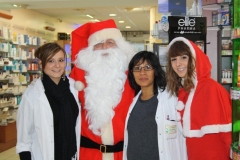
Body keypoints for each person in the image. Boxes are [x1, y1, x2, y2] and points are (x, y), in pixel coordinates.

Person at [70, 19, 135, 160]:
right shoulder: (78, 78)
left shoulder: (133, 77)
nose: (105, 47)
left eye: (110, 42)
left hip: (123, 154)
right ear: (90, 50)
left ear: (120, 46)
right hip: (89, 154)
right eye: (98, 44)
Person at [166, 37, 232, 160]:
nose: (178, 63)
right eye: (173, 59)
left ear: (195, 58)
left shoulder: (213, 88)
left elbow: (228, 136)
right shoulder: (185, 91)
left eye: (183, 57)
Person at [16, 43, 81, 160]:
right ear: (41, 63)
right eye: (51, 61)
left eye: (60, 60)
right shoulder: (32, 95)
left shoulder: (73, 87)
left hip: (71, 155)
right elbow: (24, 140)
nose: (57, 65)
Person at [123, 51, 187, 160]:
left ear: (156, 71)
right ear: (132, 74)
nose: (142, 72)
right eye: (137, 68)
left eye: (147, 67)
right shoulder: (133, 102)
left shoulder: (171, 100)